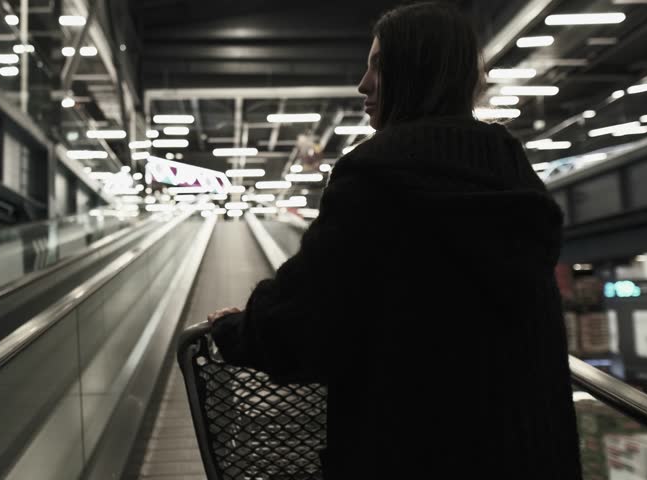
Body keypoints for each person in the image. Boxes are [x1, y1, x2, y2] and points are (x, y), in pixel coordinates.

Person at [207, 2, 582, 478]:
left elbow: (304, 322)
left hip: (415, 453)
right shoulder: (513, 173)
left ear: (415, 73)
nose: (363, 84)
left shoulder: (375, 177)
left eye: (378, 66)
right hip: (530, 456)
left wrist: (235, 330)